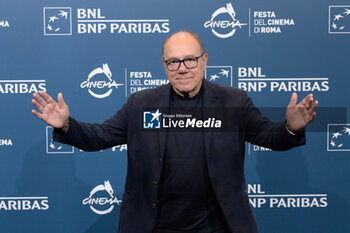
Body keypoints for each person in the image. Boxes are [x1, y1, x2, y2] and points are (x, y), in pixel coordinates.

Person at [32, 30, 318, 233]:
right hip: (154, 225)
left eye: (190, 60)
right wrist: (67, 125)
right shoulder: (142, 104)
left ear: (205, 60)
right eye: (173, 62)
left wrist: (291, 128)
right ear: (164, 66)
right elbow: (100, 137)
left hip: (218, 226)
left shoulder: (234, 102)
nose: (182, 68)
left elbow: (269, 136)